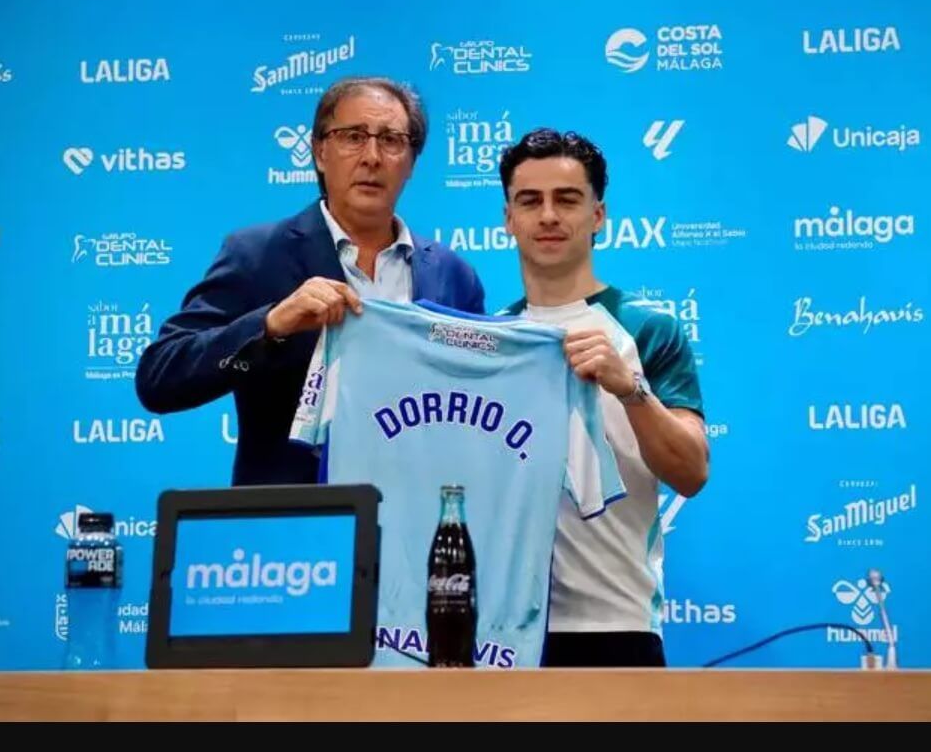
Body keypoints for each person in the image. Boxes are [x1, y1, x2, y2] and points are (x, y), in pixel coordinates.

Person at [136, 76, 487, 486]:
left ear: (411, 161)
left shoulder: (453, 275)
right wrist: (269, 326)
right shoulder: (257, 255)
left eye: (392, 140)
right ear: (320, 152)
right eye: (353, 137)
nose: (372, 156)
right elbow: (159, 377)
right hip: (296, 532)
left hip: (419, 523)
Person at [494, 128, 711, 667]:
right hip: (502, 630)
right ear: (509, 220)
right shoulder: (490, 337)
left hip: (616, 625)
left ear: (598, 216)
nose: (548, 216)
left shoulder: (647, 328)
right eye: (530, 201)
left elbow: (691, 472)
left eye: (567, 199)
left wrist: (630, 388)